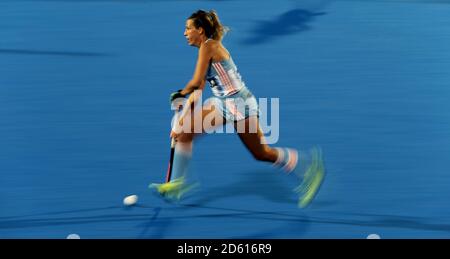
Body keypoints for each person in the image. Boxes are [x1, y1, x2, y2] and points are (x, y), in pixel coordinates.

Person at [150, 9, 324, 208]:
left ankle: (308, 168)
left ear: (200, 30)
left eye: (188, 28)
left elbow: (195, 81)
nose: (184, 33)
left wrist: (181, 92)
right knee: (184, 134)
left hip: (241, 104)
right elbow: (198, 90)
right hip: (224, 104)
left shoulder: (209, 46)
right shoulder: (205, 50)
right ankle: (177, 184)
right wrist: (182, 120)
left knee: (262, 153)